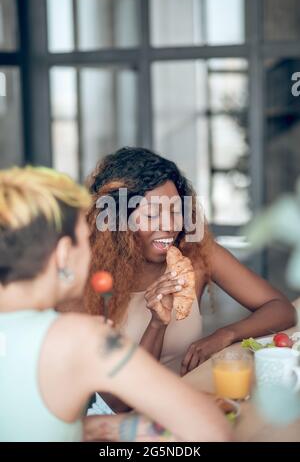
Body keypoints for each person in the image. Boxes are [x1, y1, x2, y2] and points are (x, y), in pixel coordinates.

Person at [0, 166, 230, 442]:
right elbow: (213, 431)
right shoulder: (78, 338)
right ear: (63, 254)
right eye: (86, 240)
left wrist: (86, 427)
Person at [83, 147, 295, 412]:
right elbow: (116, 402)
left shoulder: (196, 257)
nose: (169, 225)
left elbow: (281, 308)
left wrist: (225, 334)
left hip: (192, 407)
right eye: (151, 215)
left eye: (174, 210)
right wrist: (157, 325)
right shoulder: (90, 279)